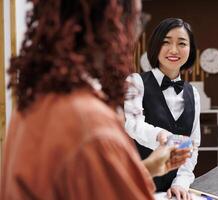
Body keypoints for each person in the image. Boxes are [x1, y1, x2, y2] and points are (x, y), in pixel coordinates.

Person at [0, 1, 192, 200]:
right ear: (111, 27)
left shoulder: (33, 102)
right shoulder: (93, 124)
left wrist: (149, 167)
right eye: (135, 22)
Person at [125, 18, 201, 200]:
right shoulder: (135, 82)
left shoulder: (193, 93)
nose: (174, 50)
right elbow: (133, 125)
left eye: (182, 43)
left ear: (190, 50)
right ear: (155, 46)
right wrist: (160, 136)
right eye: (166, 42)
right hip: (137, 187)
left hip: (172, 194)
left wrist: (181, 182)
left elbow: (192, 145)